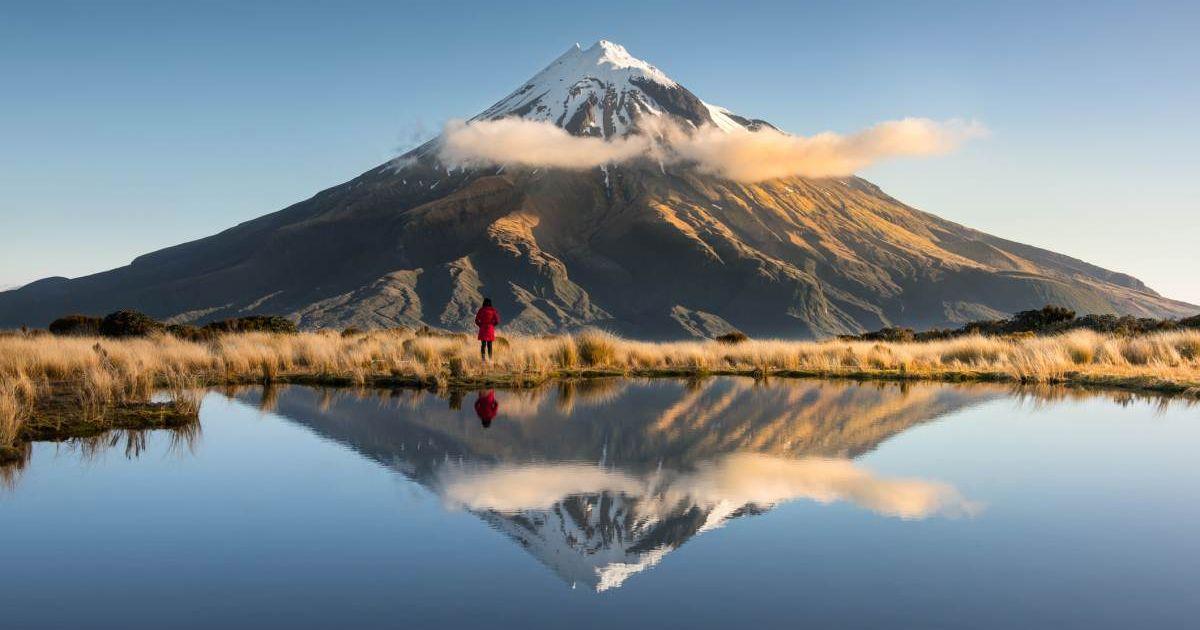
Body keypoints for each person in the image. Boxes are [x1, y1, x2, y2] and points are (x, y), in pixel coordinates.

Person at [474, 297, 500, 363]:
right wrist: (492, 325)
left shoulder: (481, 310)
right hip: (490, 329)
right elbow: (497, 321)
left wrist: (480, 325)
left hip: (483, 328)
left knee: (483, 344)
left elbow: (476, 320)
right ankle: (490, 359)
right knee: (490, 344)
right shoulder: (493, 310)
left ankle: (483, 360)